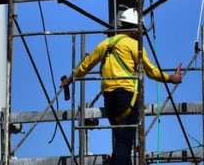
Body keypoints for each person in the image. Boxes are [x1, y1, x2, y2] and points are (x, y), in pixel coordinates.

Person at [60, 9, 183, 165]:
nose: (140, 34)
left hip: (109, 98)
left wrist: (70, 79)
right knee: (125, 141)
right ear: (133, 29)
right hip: (127, 96)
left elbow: (85, 65)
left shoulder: (105, 43)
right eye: (139, 30)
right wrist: (171, 78)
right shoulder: (134, 45)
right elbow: (151, 71)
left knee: (121, 139)